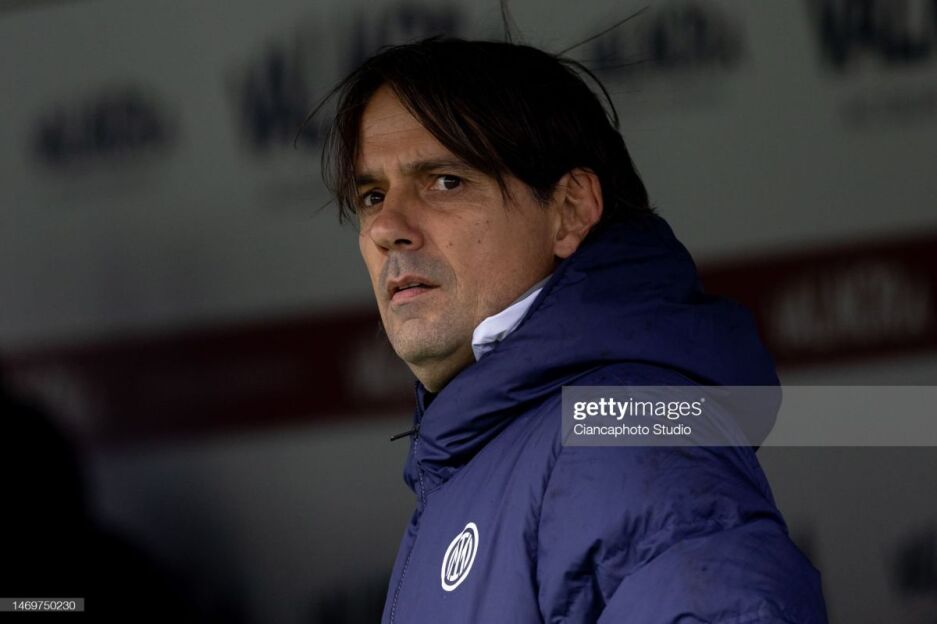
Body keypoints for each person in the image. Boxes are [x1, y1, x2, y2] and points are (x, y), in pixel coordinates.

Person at [321, 37, 828, 623]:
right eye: (372, 196)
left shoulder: (619, 430)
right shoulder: (492, 450)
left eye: (445, 181)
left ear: (569, 211)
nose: (386, 227)